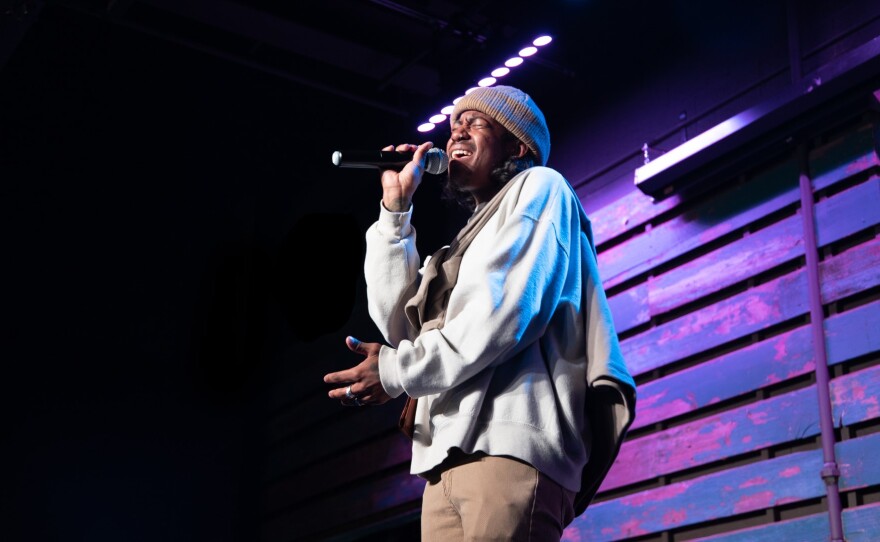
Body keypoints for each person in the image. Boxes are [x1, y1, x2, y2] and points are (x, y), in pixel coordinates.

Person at [324, 85, 636, 541]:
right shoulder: (460, 247)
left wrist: (396, 370)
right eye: (453, 126)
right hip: (444, 459)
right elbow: (399, 325)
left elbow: (502, 316)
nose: (456, 133)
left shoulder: (541, 188)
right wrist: (396, 209)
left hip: (509, 450)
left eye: (476, 122)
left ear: (517, 145)